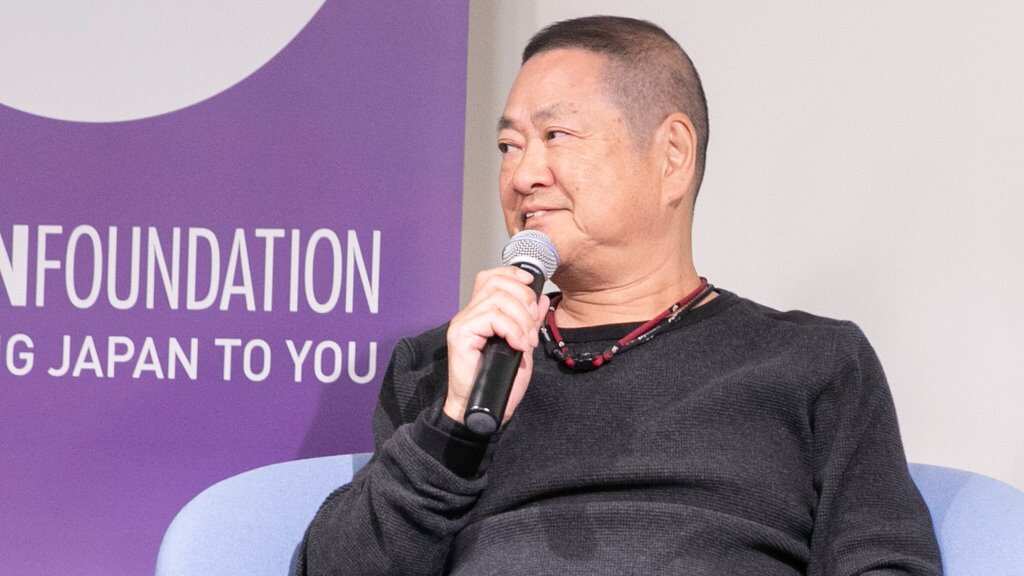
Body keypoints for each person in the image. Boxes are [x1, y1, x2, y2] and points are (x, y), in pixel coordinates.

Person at [298, 15, 942, 575]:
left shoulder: (813, 362)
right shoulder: (448, 364)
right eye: (508, 146)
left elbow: (886, 564)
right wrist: (453, 426)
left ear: (672, 156)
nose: (522, 175)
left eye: (557, 137)